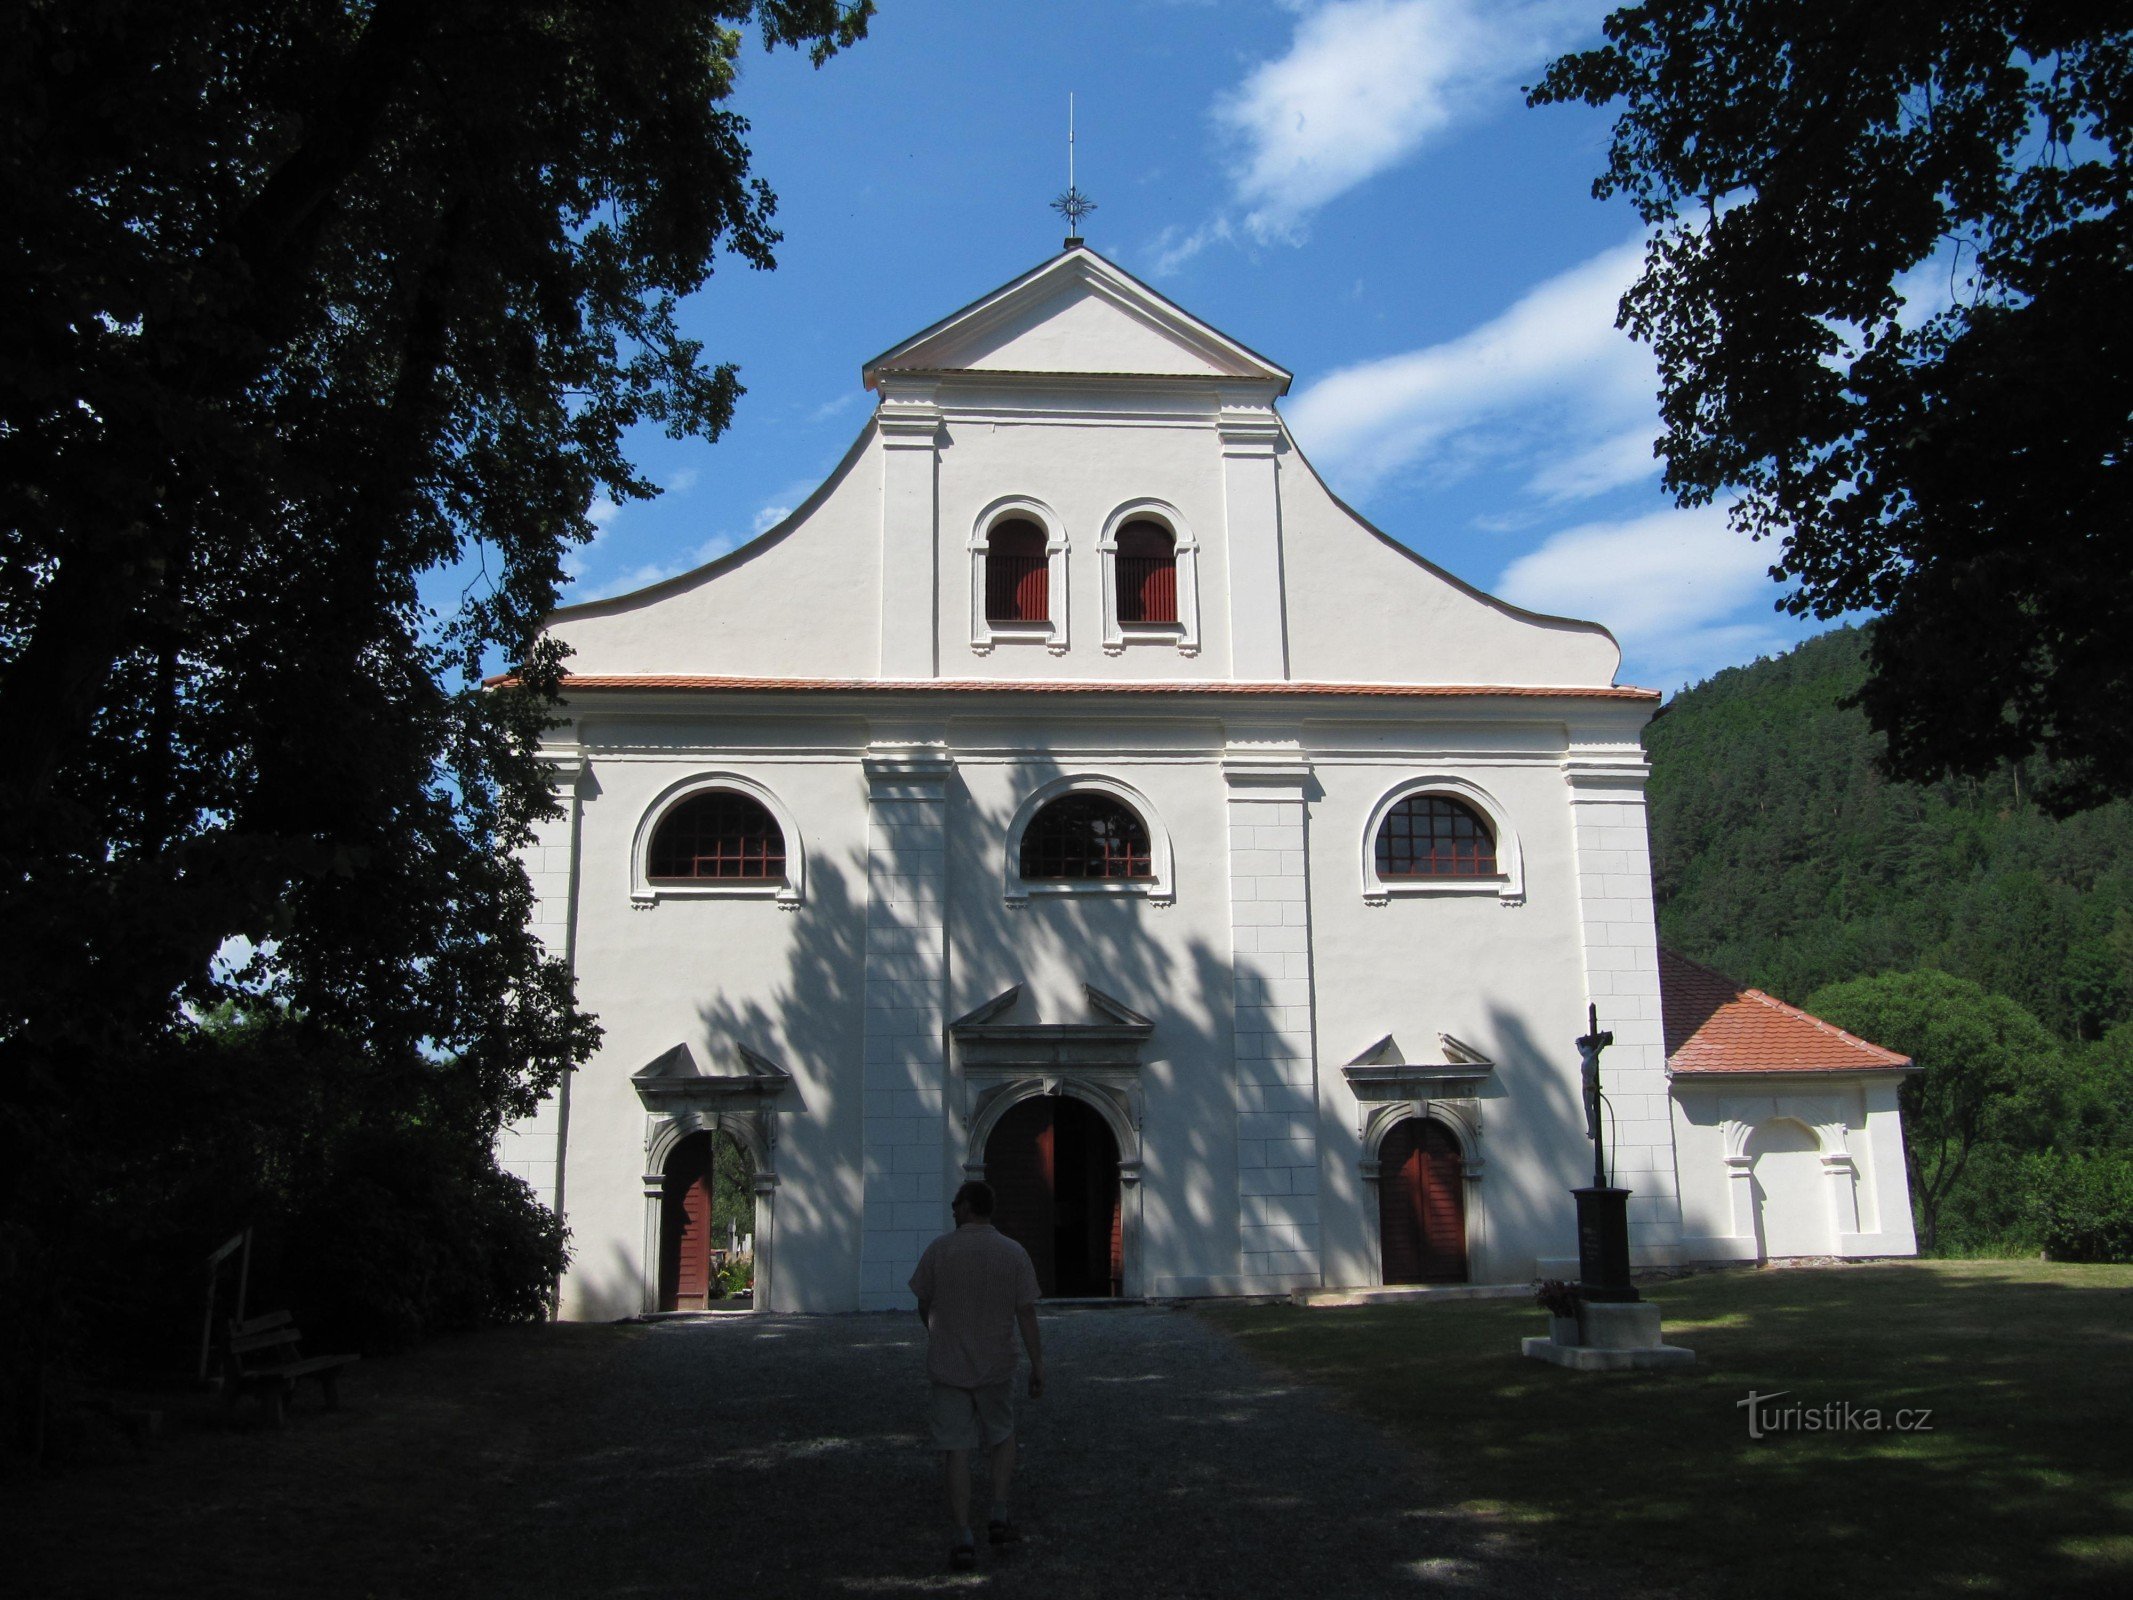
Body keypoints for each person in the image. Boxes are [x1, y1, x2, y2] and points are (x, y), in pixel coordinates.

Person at [909, 1180, 1045, 1572]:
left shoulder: (940, 1249)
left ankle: (963, 1534)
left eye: (956, 1204)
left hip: (949, 1365)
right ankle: (999, 1511)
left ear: (969, 1206)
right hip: (996, 1364)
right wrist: (1038, 1364)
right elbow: (1026, 1312)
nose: (952, 1210)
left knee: (956, 1448)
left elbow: (923, 1301)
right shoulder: (1013, 1253)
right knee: (1002, 1434)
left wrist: (937, 1332)